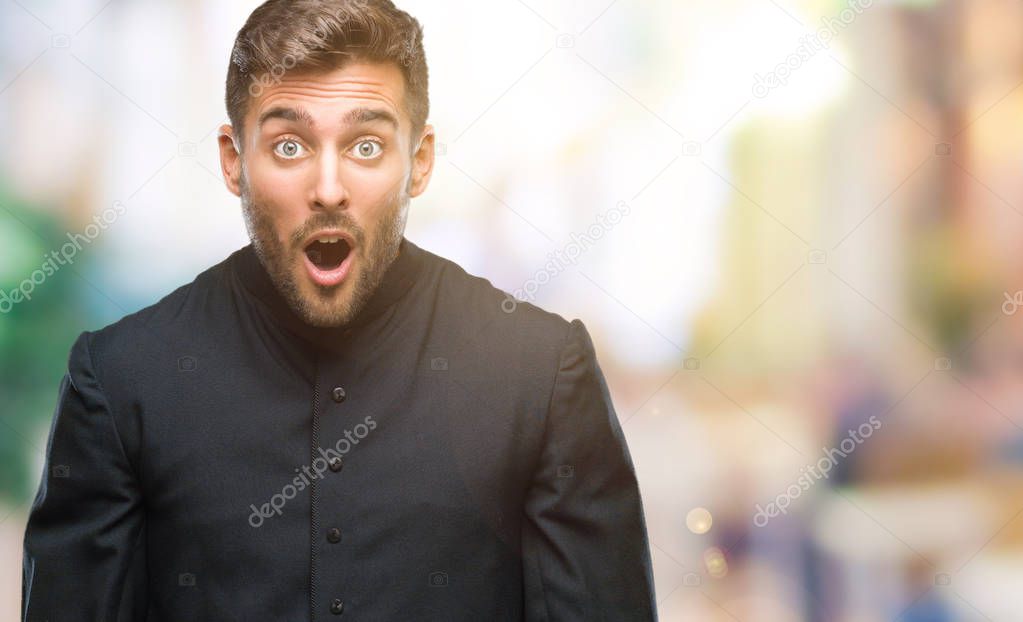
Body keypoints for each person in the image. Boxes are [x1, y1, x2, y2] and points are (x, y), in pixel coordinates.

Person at [21, 1, 657, 619]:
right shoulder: (121, 381)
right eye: (290, 146)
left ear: (421, 160)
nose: (328, 190)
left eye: (367, 146)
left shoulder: (540, 375)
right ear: (233, 160)